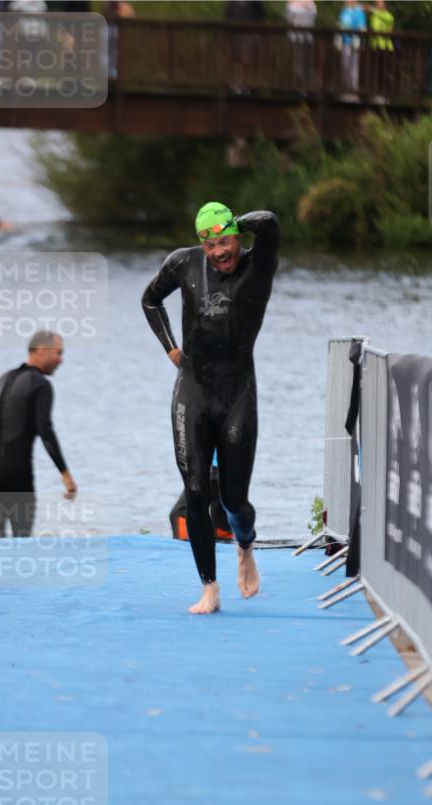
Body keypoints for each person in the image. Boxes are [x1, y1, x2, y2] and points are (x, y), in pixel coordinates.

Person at [142, 201, 280, 615]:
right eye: (210, 244)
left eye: (225, 241)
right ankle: (209, 588)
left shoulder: (259, 266)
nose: (219, 251)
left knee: (235, 499)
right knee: (196, 490)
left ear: (237, 237)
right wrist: (170, 348)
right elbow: (150, 300)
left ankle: (245, 545)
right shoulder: (183, 264)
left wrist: (232, 222)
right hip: (194, 389)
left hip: (238, 391)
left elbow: (270, 223)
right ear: (200, 245)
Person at [0, 330, 77, 538]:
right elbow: (45, 429)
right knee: (21, 543)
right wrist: (65, 474)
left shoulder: (1, 380)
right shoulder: (41, 385)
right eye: (58, 353)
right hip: (17, 472)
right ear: (41, 351)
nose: (61, 360)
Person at [286, 0, 316, 91]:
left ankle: (302, 87)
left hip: (299, 37)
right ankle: (303, 86)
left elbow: (288, 18)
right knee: (303, 62)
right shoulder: (311, 4)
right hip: (303, 37)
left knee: (301, 62)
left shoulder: (293, 5)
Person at [366, 0, 394, 99]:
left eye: (379, 2)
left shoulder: (388, 15)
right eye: (376, 3)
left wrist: (372, 10)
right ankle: (377, 92)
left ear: (385, 4)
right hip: (375, 45)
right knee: (375, 70)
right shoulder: (374, 16)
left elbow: (387, 20)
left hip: (385, 47)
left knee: (384, 70)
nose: (377, 4)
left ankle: (386, 93)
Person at [338, 0, 366, 97]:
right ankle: (346, 87)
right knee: (345, 65)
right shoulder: (344, 11)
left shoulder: (359, 12)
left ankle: (353, 89)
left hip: (354, 42)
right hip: (345, 42)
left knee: (354, 67)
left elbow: (362, 27)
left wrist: (359, 38)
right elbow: (340, 25)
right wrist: (338, 39)